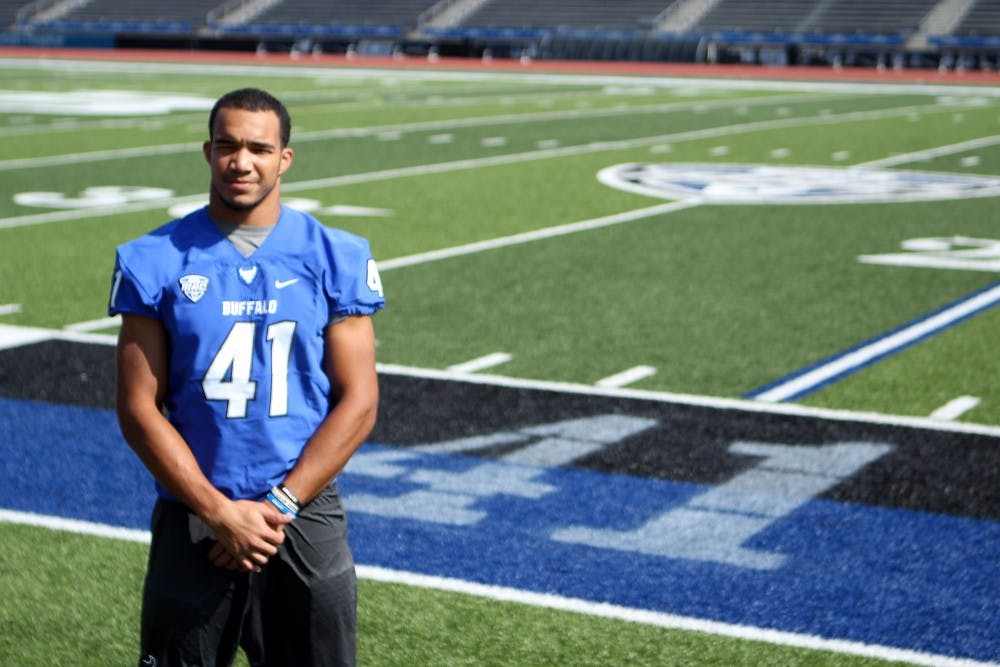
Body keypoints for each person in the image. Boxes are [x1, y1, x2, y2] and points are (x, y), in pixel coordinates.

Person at [109, 87, 385, 666]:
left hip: (301, 511)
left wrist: (279, 504)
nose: (242, 162)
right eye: (229, 146)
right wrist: (217, 511)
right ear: (208, 151)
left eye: (259, 148)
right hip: (194, 511)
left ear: (284, 158)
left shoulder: (337, 255)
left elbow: (359, 402)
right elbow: (138, 407)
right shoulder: (153, 258)